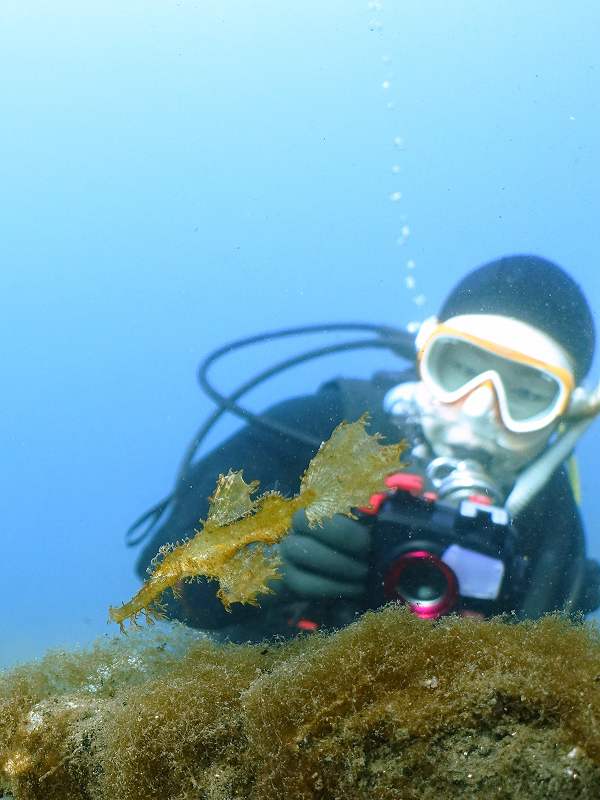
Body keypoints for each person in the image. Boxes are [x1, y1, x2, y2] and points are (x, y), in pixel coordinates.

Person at [132, 254, 600, 641]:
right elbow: (157, 573)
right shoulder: (320, 428)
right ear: (424, 356)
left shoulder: (548, 522)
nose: (478, 411)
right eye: (459, 370)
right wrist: (254, 570)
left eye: (527, 395)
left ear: (566, 413)